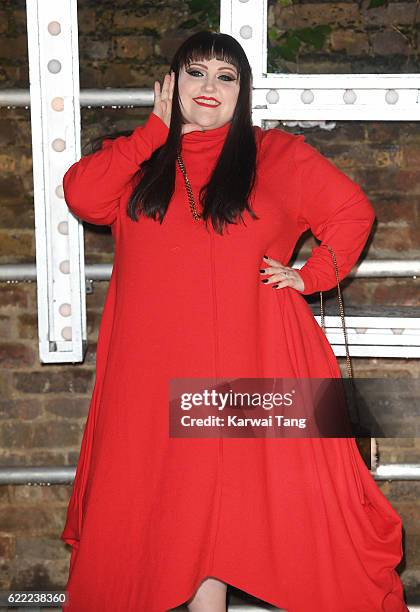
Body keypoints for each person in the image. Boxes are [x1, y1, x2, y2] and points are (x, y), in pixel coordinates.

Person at [60, 30, 409, 612]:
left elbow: (352, 210)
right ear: (171, 83)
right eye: (196, 72)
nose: (210, 87)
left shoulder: (276, 155)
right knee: (170, 506)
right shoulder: (136, 154)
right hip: (151, 373)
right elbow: (83, 197)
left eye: (227, 77)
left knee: (259, 507)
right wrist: (154, 130)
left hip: (257, 360)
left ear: (242, 92)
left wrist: (312, 274)